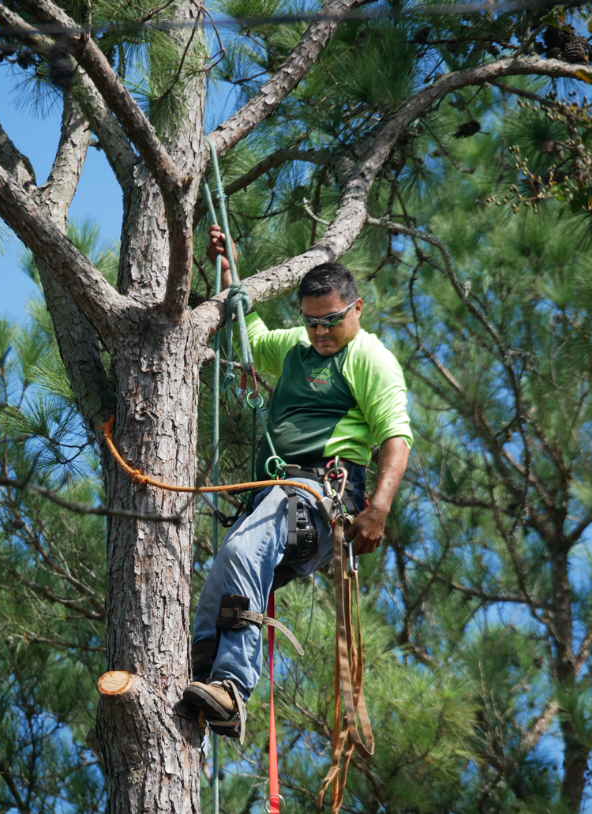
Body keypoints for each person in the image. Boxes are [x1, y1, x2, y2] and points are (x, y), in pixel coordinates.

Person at [183, 226, 412, 738]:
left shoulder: (370, 359)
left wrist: (378, 508)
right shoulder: (295, 348)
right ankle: (199, 673)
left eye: (331, 321)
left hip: (319, 492)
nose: (320, 334)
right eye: (311, 323)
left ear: (357, 308)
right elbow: (253, 336)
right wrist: (230, 271)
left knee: (241, 555)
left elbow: (396, 436)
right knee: (225, 571)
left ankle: (233, 686)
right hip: (275, 495)